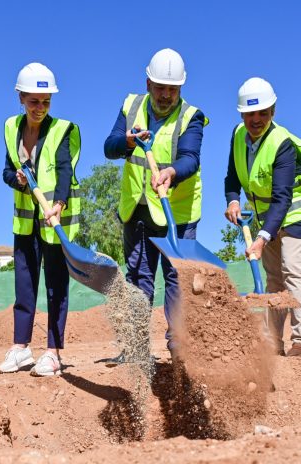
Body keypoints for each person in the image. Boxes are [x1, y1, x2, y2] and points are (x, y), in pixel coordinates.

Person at [104, 48, 208, 359]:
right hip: (136, 208)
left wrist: (171, 172)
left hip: (177, 212)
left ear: (181, 89)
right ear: (148, 83)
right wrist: (129, 141)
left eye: (172, 90)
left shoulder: (192, 117)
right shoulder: (131, 105)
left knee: (177, 277)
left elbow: (190, 159)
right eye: (160, 87)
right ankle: (136, 348)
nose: (165, 95)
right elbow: (109, 147)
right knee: (138, 277)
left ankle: (179, 348)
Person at [224, 78, 301, 358]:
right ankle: (272, 343)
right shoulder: (237, 136)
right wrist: (233, 199)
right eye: (250, 114)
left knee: (292, 270)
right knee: (274, 279)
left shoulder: (282, 144)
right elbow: (232, 176)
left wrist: (261, 239)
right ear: (241, 114)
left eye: (263, 113)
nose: (256, 120)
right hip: (269, 214)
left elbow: (283, 198)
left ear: (273, 111)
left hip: (299, 210)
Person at [0, 62, 81, 376]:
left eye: (46, 102)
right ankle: (20, 348)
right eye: (34, 101)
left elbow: (64, 169)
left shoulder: (62, 129)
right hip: (25, 221)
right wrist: (17, 179)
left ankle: (53, 353)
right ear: (20, 97)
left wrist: (58, 202)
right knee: (25, 285)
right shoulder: (10, 128)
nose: (40, 108)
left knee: (55, 287)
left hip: (55, 219)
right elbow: (6, 170)